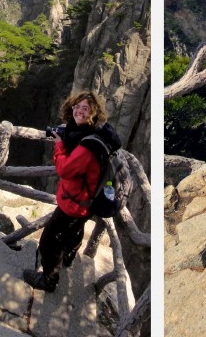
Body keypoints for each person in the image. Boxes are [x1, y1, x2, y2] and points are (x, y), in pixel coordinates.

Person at [23, 91, 121, 293]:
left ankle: (49, 280)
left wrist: (59, 146)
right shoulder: (92, 133)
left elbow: (65, 170)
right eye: (77, 106)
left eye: (85, 108)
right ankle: (68, 255)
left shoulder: (88, 146)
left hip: (75, 203)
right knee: (74, 231)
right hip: (87, 201)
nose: (79, 111)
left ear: (93, 113)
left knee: (49, 240)